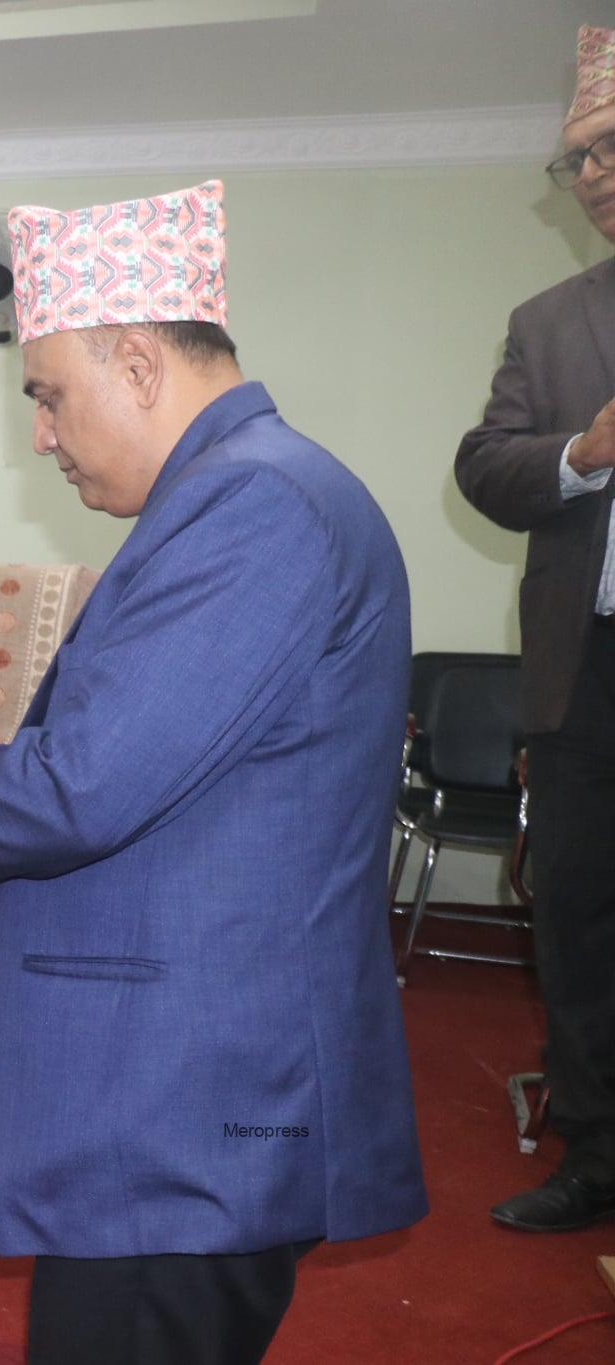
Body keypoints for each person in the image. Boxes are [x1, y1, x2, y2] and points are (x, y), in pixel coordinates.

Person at [0, 181, 426, 1363]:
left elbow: (87, 789)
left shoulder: (251, 506)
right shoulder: (241, 492)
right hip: (177, 1095)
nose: (40, 438)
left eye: (48, 397)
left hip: (186, 1104)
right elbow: (160, 767)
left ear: (138, 364)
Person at [457, 22, 615, 1236]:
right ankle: (596, 1161)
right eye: (576, 159)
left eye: (608, 147)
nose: (590, 174)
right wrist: (580, 451)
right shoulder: (548, 320)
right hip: (585, 678)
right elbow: (484, 466)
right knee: (578, 923)